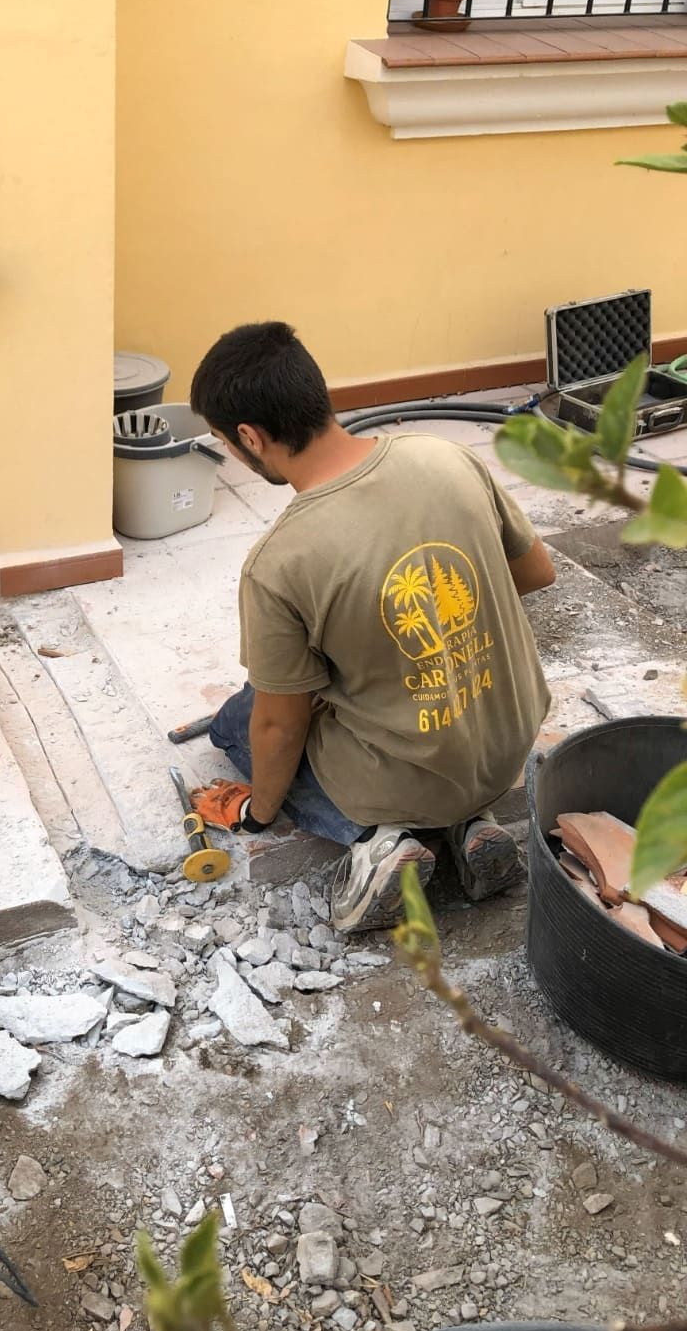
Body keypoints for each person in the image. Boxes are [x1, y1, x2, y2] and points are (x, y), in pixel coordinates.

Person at [187, 320, 555, 933]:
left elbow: (280, 726)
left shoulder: (280, 562)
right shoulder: (446, 456)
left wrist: (257, 815)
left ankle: (383, 841)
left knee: (241, 720)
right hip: (507, 744)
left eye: (227, 443)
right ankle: (471, 827)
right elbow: (536, 572)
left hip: (413, 774)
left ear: (249, 437)